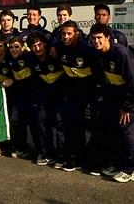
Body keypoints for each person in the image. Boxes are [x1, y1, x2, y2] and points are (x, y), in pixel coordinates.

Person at [87, 23, 134, 183]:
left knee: (125, 129)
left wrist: (127, 107)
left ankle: (130, 169)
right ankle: (116, 163)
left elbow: (133, 84)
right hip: (116, 94)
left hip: (132, 95)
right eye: (93, 38)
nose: (96, 41)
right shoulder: (98, 53)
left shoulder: (121, 53)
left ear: (108, 38)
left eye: (99, 38)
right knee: (110, 127)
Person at [53, 20, 97, 171]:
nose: (66, 37)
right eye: (63, 34)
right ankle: (69, 156)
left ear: (76, 34)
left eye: (69, 34)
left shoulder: (87, 50)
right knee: (67, 124)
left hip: (86, 93)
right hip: (68, 93)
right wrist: (53, 46)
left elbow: (97, 72)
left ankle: (78, 158)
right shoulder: (58, 46)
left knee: (79, 126)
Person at [26, 31, 65, 166]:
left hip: (61, 96)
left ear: (45, 44)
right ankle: (47, 153)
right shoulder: (30, 58)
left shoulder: (55, 53)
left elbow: (64, 43)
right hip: (43, 97)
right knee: (41, 120)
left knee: (61, 124)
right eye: (34, 46)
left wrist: (54, 45)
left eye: (39, 45)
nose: (37, 48)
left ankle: (62, 155)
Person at [7, 37, 33, 158]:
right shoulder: (10, 60)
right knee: (16, 120)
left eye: (16, 47)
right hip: (18, 96)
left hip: (33, 95)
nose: (14, 50)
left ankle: (41, 151)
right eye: (11, 47)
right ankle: (21, 146)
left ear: (23, 47)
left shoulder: (29, 57)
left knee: (35, 123)